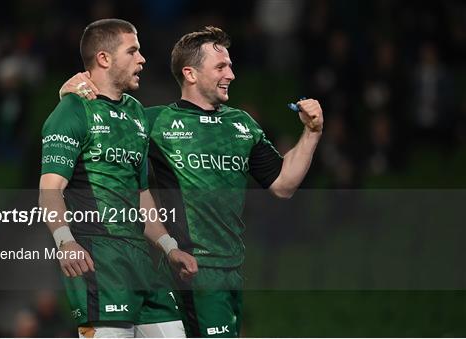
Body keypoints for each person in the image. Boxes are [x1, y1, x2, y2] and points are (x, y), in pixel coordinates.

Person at [62, 26, 323, 337]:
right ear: (191, 73)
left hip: (232, 272)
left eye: (230, 65)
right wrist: (69, 93)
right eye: (221, 66)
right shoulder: (155, 122)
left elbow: (283, 184)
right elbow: (97, 128)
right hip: (190, 272)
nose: (231, 74)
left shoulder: (242, 125)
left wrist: (312, 133)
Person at [39, 18, 197, 338]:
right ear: (104, 58)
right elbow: (49, 190)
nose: (142, 59)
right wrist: (65, 242)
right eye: (133, 51)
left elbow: (141, 194)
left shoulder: (136, 113)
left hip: (142, 263)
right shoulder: (71, 111)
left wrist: (168, 246)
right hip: (99, 263)